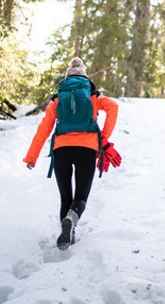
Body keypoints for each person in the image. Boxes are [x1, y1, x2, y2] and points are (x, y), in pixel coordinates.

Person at [23, 58, 120, 249]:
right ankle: (72, 219)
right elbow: (114, 107)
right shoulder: (93, 97)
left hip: (62, 151)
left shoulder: (58, 100)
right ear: (85, 79)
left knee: (65, 198)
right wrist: (103, 137)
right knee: (80, 198)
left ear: (66, 80)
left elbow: (43, 130)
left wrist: (31, 157)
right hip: (87, 150)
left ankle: (66, 239)